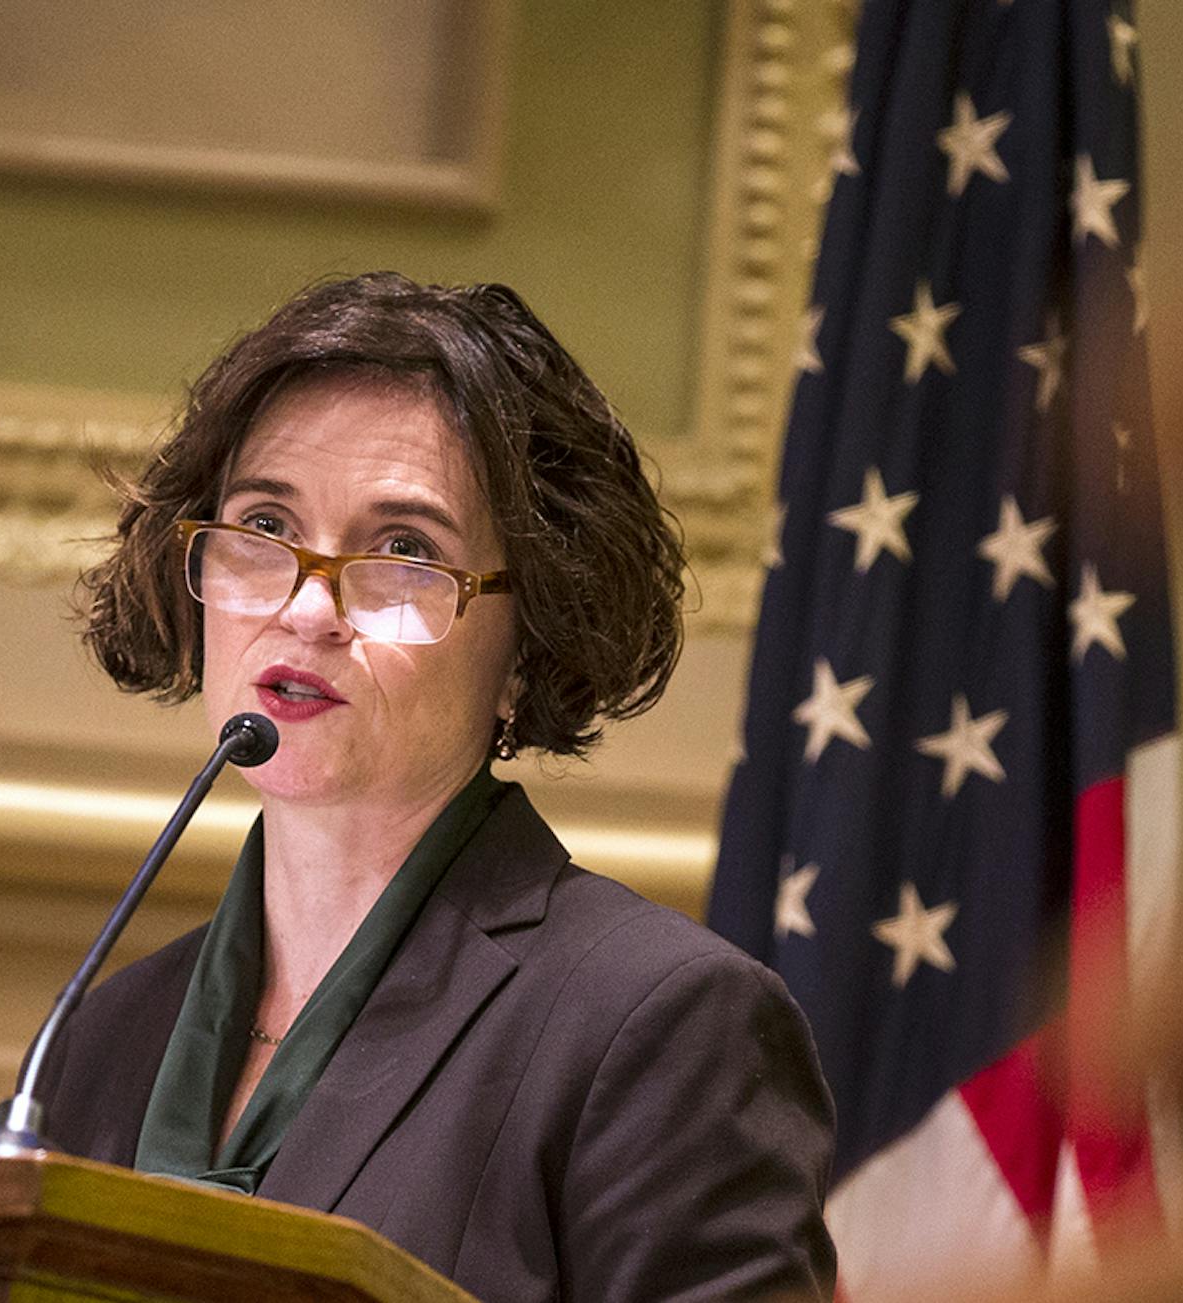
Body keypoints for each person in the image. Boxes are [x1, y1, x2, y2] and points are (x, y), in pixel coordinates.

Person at [41, 272, 836, 1301]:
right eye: (265, 529)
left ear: (527, 647)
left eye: (404, 552)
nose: (307, 609)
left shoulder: (656, 1025)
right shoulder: (102, 1039)